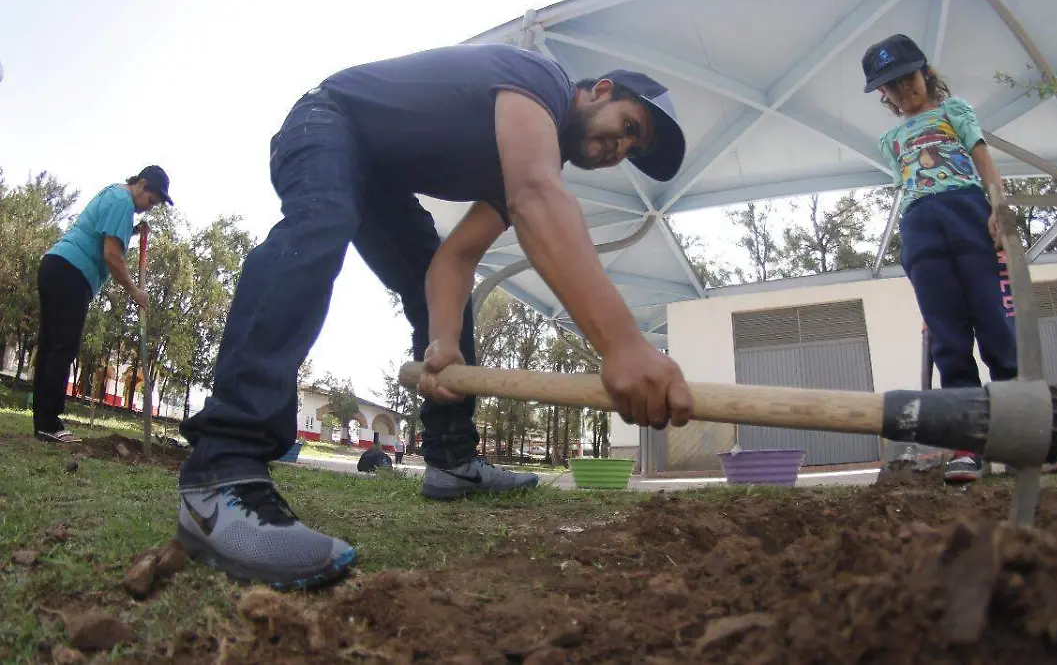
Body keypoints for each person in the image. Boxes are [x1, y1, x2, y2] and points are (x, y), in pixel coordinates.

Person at [175, 43, 696, 590]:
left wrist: (442, 343)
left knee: (432, 271)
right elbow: (537, 199)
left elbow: (455, 259)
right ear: (602, 90)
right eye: (630, 124)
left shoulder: (529, 154)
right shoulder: (542, 79)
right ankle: (221, 472)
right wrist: (623, 344)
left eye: (634, 147)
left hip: (379, 176)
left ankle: (452, 461)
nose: (624, 145)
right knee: (321, 220)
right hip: (328, 121)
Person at [862, 34, 1017, 484]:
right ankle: (968, 446)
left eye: (908, 78)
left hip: (968, 212)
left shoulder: (955, 111)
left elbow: (983, 160)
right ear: (883, 94)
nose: (903, 90)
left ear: (924, 72)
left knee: (994, 324)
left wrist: (998, 208)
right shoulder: (890, 140)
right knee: (948, 338)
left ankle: (1014, 437)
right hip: (920, 227)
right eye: (891, 86)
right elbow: (907, 185)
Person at [32, 166, 172, 443]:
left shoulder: (114, 193)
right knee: (63, 347)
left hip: (54, 265)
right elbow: (111, 255)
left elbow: (102, 232)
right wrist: (134, 290)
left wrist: (132, 232)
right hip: (72, 273)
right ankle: (49, 422)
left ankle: (42, 423)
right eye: (151, 201)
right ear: (141, 185)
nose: (149, 208)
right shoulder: (123, 202)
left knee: (51, 346)